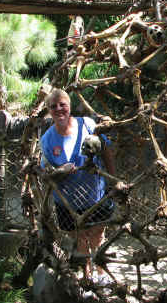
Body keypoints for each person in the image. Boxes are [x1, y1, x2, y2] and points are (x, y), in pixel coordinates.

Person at [40, 89, 115, 284]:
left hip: (95, 195)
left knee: (98, 236)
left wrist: (113, 178)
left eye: (62, 104)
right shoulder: (47, 140)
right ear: (48, 110)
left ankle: (101, 275)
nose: (58, 109)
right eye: (53, 106)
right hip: (68, 202)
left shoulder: (88, 124)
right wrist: (60, 172)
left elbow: (106, 150)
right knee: (79, 240)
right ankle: (86, 278)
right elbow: (45, 175)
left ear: (70, 105)